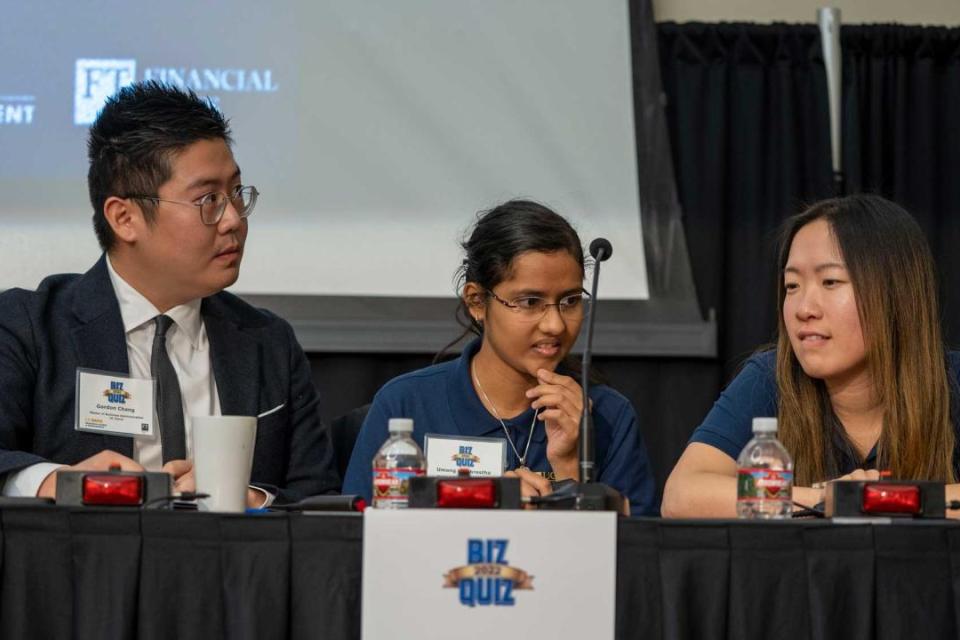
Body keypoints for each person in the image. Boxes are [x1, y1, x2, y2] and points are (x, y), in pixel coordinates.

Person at [0, 81, 338, 506]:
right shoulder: (30, 327)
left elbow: (320, 496)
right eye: (208, 200)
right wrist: (57, 482)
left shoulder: (267, 342)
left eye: (236, 193)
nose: (233, 219)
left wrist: (245, 496)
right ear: (125, 218)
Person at [342, 199, 656, 515]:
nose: (555, 324)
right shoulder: (406, 404)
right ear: (477, 302)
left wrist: (570, 473)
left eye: (570, 301)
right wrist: (485, 499)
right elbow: (353, 541)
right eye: (530, 302)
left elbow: (634, 556)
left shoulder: (609, 416)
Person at [662, 194, 960, 517]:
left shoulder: (952, 379)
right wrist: (825, 500)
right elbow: (682, 495)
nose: (804, 309)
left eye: (830, 281)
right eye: (792, 286)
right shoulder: (770, 377)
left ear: (895, 292)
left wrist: (875, 498)